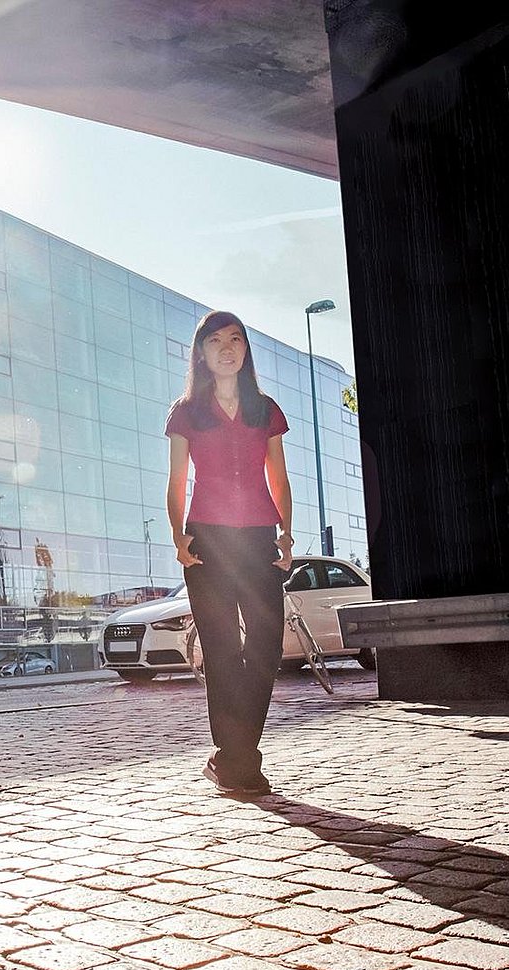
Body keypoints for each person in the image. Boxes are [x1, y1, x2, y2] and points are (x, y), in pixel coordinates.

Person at [165, 310, 292, 796]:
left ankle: (232, 756)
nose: (226, 347)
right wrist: (179, 538)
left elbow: (278, 477)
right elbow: (177, 481)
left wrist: (286, 535)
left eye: (235, 339)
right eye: (215, 340)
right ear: (202, 352)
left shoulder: (266, 408)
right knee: (221, 652)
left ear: (245, 350)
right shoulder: (186, 411)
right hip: (208, 542)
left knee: (264, 645)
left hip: (259, 537)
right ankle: (241, 762)